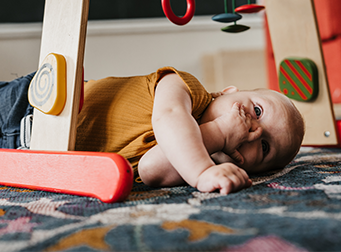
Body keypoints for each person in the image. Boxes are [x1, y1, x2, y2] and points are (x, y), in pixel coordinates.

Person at [0, 67, 305, 195]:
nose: (253, 129)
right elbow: (169, 119)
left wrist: (212, 152)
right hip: (29, 105)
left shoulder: (204, 159)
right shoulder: (186, 88)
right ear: (226, 92)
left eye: (264, 147)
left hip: (28, 158)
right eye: (257, 110)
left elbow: (151, 169)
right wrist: (201, 172)